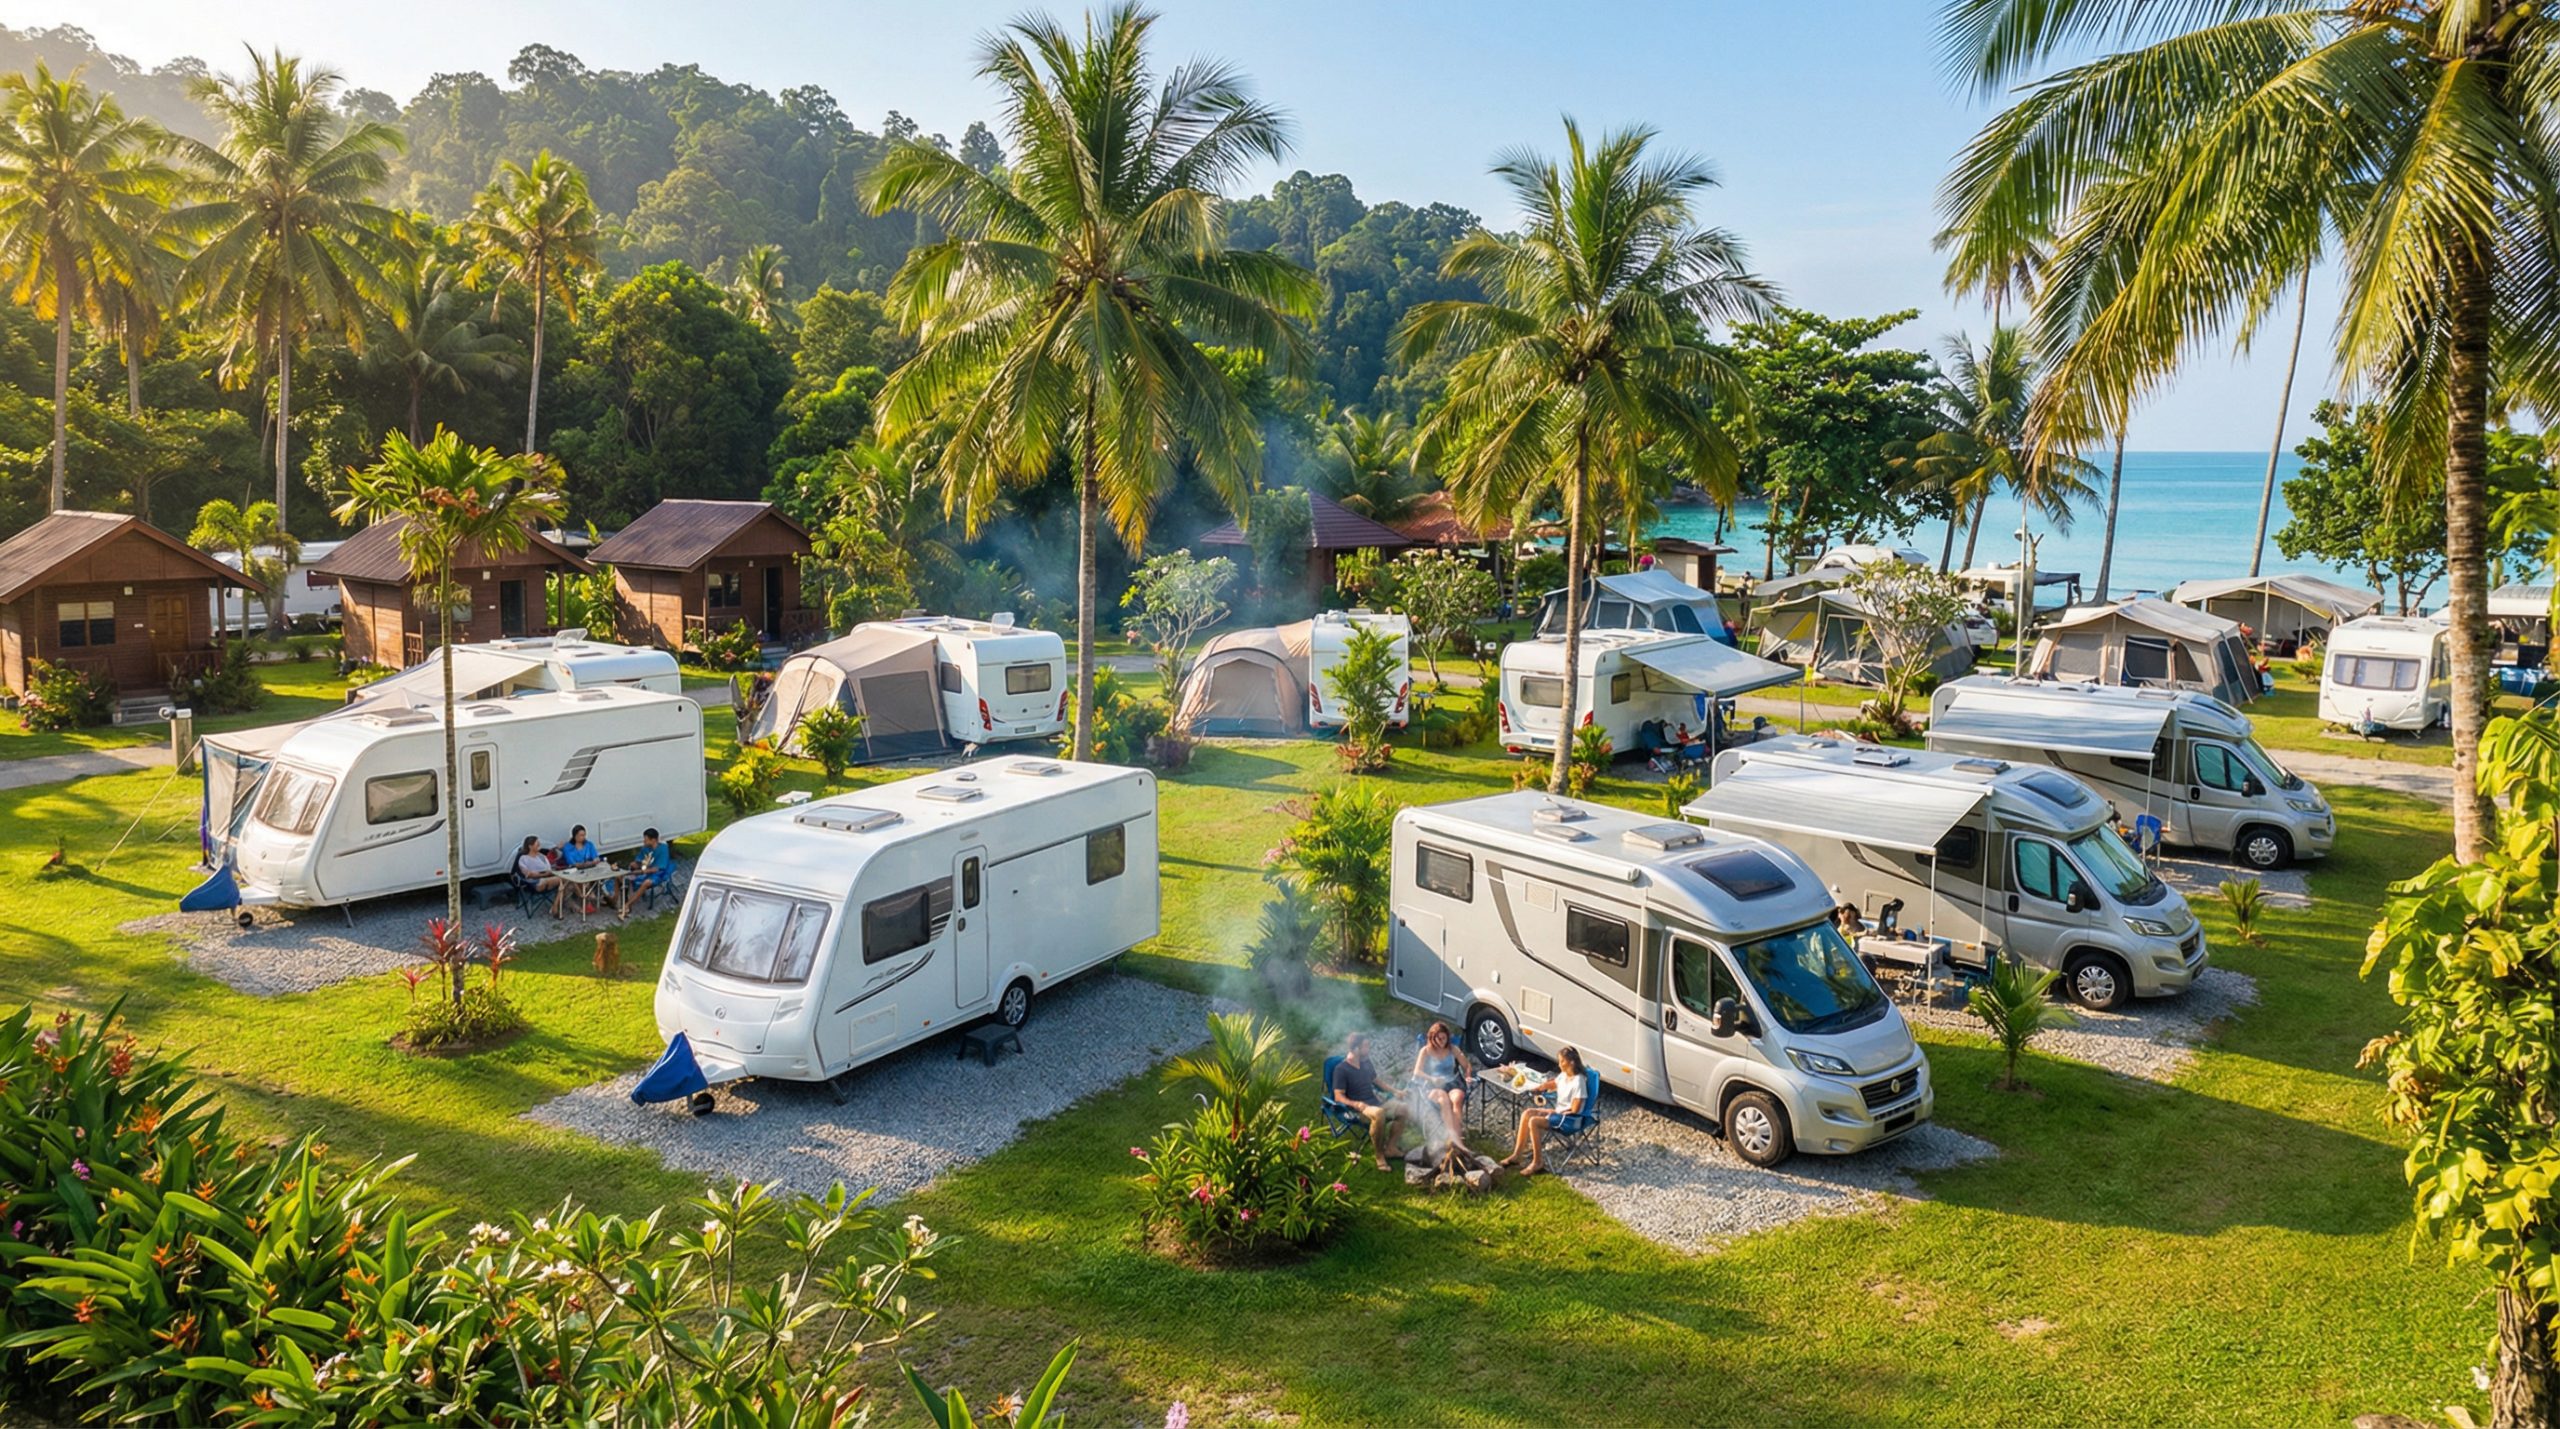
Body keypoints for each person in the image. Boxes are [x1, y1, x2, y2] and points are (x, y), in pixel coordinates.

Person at [1500, 1046, 1591, 1176]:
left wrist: (1553, 1113)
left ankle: (1538, 1162)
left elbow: (1575, 1109)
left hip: (1570, 1120)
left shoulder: (1578, 1081)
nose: (1559, 1064)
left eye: (1562, 1061)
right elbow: (1554, 1083)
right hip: (1559, 1115)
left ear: (1571, 1062)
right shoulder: (1565, 1075)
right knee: (1527, 1113)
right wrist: (1539, 1087)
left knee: (1534, 1121)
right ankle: (1517, 1155)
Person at [1330, 1032, 1408, 1171]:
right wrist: (1356, 1104)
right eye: (1366, 1046)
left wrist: (1396, 1091)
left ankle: (1390, 1148)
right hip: (1357, 1110)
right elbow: (1338, 1096)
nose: (1369, 1049)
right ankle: (1379, 1156)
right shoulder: (1341, 1069)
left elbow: (1377, 1081)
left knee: (1403, 1108)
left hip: (1375, 1103)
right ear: (1356, 1049)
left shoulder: (1366, 1062)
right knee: (1378, 1114)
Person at [1410, 1021, 1472, 1145]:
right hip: (1432, 1085)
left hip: (1452, 1082)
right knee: (1444, 1100)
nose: (1442, 1041)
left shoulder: (1453, 1049)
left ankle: (1457, 1138)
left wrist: (1468, 1076)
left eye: (1444, 1038)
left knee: (1458, 1098)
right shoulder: (1425, 1051)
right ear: (1432, 1038)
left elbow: (1467, 1066)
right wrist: (1431, 1078)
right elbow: (1417, 1072)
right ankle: (1452, 1136)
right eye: (1439, 1038)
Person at [619, 828, 674, 915]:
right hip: (646, 870)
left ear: (653, 840)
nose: (644, 841)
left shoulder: (663, 849)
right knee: (622, 875)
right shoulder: (645, 848)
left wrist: (641, 871)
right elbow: (640, 861)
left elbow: (657, 868)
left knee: (646, 882)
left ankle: (627, 905)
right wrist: (635, 865)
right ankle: (619, 899)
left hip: (658, 874)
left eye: (646, 839)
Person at [514, 835, 566, 918]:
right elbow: (528, 874)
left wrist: (548, 873)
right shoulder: (524, 858)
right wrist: (543, 874)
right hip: (533, 883)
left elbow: (549, 870)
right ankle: (555, 907)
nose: (539, 845)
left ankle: (555, 906)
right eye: (537, 843)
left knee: (564, 881)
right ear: (530, 846)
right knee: (561, 881)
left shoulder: (542, 857)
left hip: (547, 880)